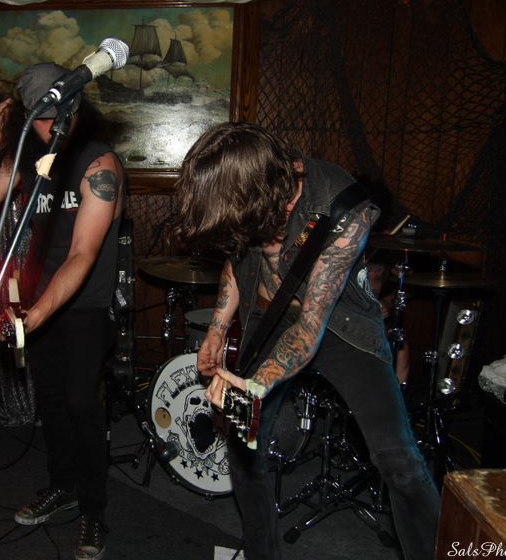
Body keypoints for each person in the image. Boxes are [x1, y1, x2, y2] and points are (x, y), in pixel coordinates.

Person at [167, 122, 440, 560]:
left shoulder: (345, 206)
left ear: (269, 196)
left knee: (399, 462)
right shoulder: (250, 188)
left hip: (340, 325)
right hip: (267, 316)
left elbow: (310, 326)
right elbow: (236, 260)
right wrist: (218, 327)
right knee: (243, 445)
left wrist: (254, 385)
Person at [0, 63, 124, 560]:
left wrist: (35, 316)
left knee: (81, 403)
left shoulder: (99, 165)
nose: (54, 124)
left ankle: (94, 511)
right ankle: (63, 486)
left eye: (61, 112)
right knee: (50, 402)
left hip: (84, 304)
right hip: (37, 304)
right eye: (42, 116)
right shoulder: (32, 160)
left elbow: (81, 254)